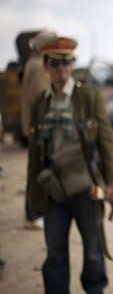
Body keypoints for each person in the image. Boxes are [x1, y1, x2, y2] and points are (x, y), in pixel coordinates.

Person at [27, 35, 113, 294]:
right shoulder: (39, 103)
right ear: (45, 66)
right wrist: (33, 193)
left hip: (86, 186)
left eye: (67, 64)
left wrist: (112, 181)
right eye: (55, 64)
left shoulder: (88, 97)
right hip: (53, 189)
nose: (61, 70)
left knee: (93, 251)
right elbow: (35, 154)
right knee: (55, 254)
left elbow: (106, 140)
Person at [20, 30, 55, 230]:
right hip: (40, 127)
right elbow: (43, 99)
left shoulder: (32, 63)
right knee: (38, 171)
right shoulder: (39, 65)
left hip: (33, 126)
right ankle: (34, 214)